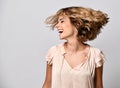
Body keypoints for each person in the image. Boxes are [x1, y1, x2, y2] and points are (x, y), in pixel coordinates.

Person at [42, 6, 109, 88]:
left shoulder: (95, 55)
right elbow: (47, 84)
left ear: (77, 24)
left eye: (62, 21)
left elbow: (99, 86)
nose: (57, 25)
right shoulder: (53, 53)